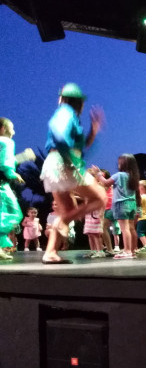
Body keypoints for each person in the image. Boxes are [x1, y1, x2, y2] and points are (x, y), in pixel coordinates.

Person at [40, 83, 106, 264]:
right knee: (100, 197)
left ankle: (50, 252)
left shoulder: (70, 117)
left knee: (68, 211)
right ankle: (61, 224)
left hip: (54, 164)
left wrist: (93, 130)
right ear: (78, 102)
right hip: (63, 164)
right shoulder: (65, 113)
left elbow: (82, 145)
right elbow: (59, 134)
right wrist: (68, 158)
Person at [93, 154, 141, 259]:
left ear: (124, 164)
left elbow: (106, 183)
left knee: (125, 229)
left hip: (121, 204)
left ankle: (127, 251)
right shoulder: (133, 177)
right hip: (132, 204)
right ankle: (132, 251)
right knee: (131, 228)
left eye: (120, 162)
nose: (118, 163)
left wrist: (99, 174)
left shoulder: (119, 175)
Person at [0, 117, 33, 260]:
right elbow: (5, 164)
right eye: (12, 128)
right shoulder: (6, 141)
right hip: (1, 184)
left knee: (4, 214)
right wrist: (12, 174)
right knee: (15, 214)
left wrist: (23, 156)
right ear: (3, 129)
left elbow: (7, 159)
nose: (14, 132)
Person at [136, 180, 146, 252]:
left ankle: (145, 245)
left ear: (141, 188)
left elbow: (138, 205)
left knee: (140, 232)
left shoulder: (141, 197)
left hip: (143, 217)